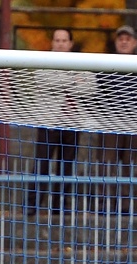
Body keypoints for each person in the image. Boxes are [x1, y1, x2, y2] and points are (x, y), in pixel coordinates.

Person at [27, 28, 80, 216]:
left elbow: (90, 87)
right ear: (52, 42)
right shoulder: (44, 62)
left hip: (72, 123)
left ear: (70, 43)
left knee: (65, 167)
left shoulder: (82, 62)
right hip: (48, 123)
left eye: (64, 40)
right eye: (57, 40)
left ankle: (59, 206)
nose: (60, 43)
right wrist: (72, 81)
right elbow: (43, 80)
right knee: (41, 164)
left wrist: (64, 82)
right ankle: (32, 205)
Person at [96, 25, 137, 212]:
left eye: (128, 38)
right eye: (121, 38)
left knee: (129, 165)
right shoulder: (104, 67)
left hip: (134, 125)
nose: (124, 41)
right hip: (109, 125)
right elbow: (96, 95)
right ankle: (104, 205)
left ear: (135, 43)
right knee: (106, 164)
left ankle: (126, 206)